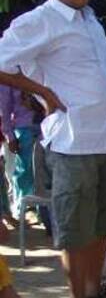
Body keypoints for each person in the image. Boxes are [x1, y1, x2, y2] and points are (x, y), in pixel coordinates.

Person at [0, 0, 106, 298]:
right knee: (75, 226)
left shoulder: (90, 19)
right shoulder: (40, 21)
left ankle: (96, 291)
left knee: (102, 223)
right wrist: (41, 91)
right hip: (73, 140)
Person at [0, 85, 42, 222]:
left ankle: (43, 210)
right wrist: (10, 136)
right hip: (24, 127)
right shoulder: (9, 77)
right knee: (25, 168)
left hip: (47, 125)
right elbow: (4, 109)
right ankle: (23, 207)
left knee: (44, 170)